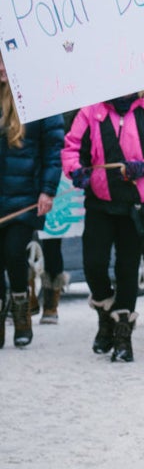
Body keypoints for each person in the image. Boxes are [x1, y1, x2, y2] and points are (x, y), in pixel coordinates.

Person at [61, 91, 144, 361]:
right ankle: (105, 314)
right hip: (99, 200)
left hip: (135, 204)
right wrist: (76, 170)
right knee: (94, 265)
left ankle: (123, 334)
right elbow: (71, 147)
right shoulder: (90, 111)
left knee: (127, 267)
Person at [0, 53, 64, 349]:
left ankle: (22, 310)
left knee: (14, 253)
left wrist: (47, 190)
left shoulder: (38, 99)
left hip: (23, 199)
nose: (2, 68)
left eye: (5, 61)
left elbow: (53, 147)